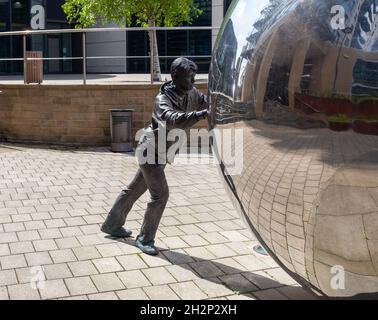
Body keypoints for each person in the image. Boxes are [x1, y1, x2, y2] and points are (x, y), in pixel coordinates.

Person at [101, 57, 209, 255]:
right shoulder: (163, 100)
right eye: (189, 78)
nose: (194, 82)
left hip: (161, 152)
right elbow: (173, 120)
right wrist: (202, 114)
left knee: (133, 190)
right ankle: (145, 239)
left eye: (194, 78)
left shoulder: (191, 92)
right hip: (150, 151)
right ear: (176, 77)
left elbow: (207, 102)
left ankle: (112, 224)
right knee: (160, 195)